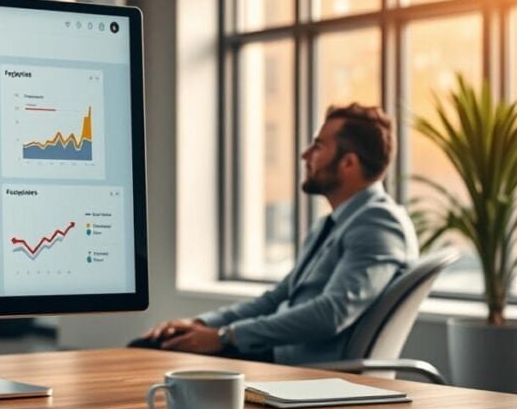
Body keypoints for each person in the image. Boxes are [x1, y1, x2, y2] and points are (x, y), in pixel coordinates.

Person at [136, 103, 418, 365]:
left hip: (308, 369)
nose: (305, 155)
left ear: (348, 163)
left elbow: (331, 314)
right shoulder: (333, 223)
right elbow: (278, 298)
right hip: (277, 354)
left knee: (150, 354)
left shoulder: (379, 224)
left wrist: (224, 337)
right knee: (154, 344)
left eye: (318, 146)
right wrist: (204, 324)